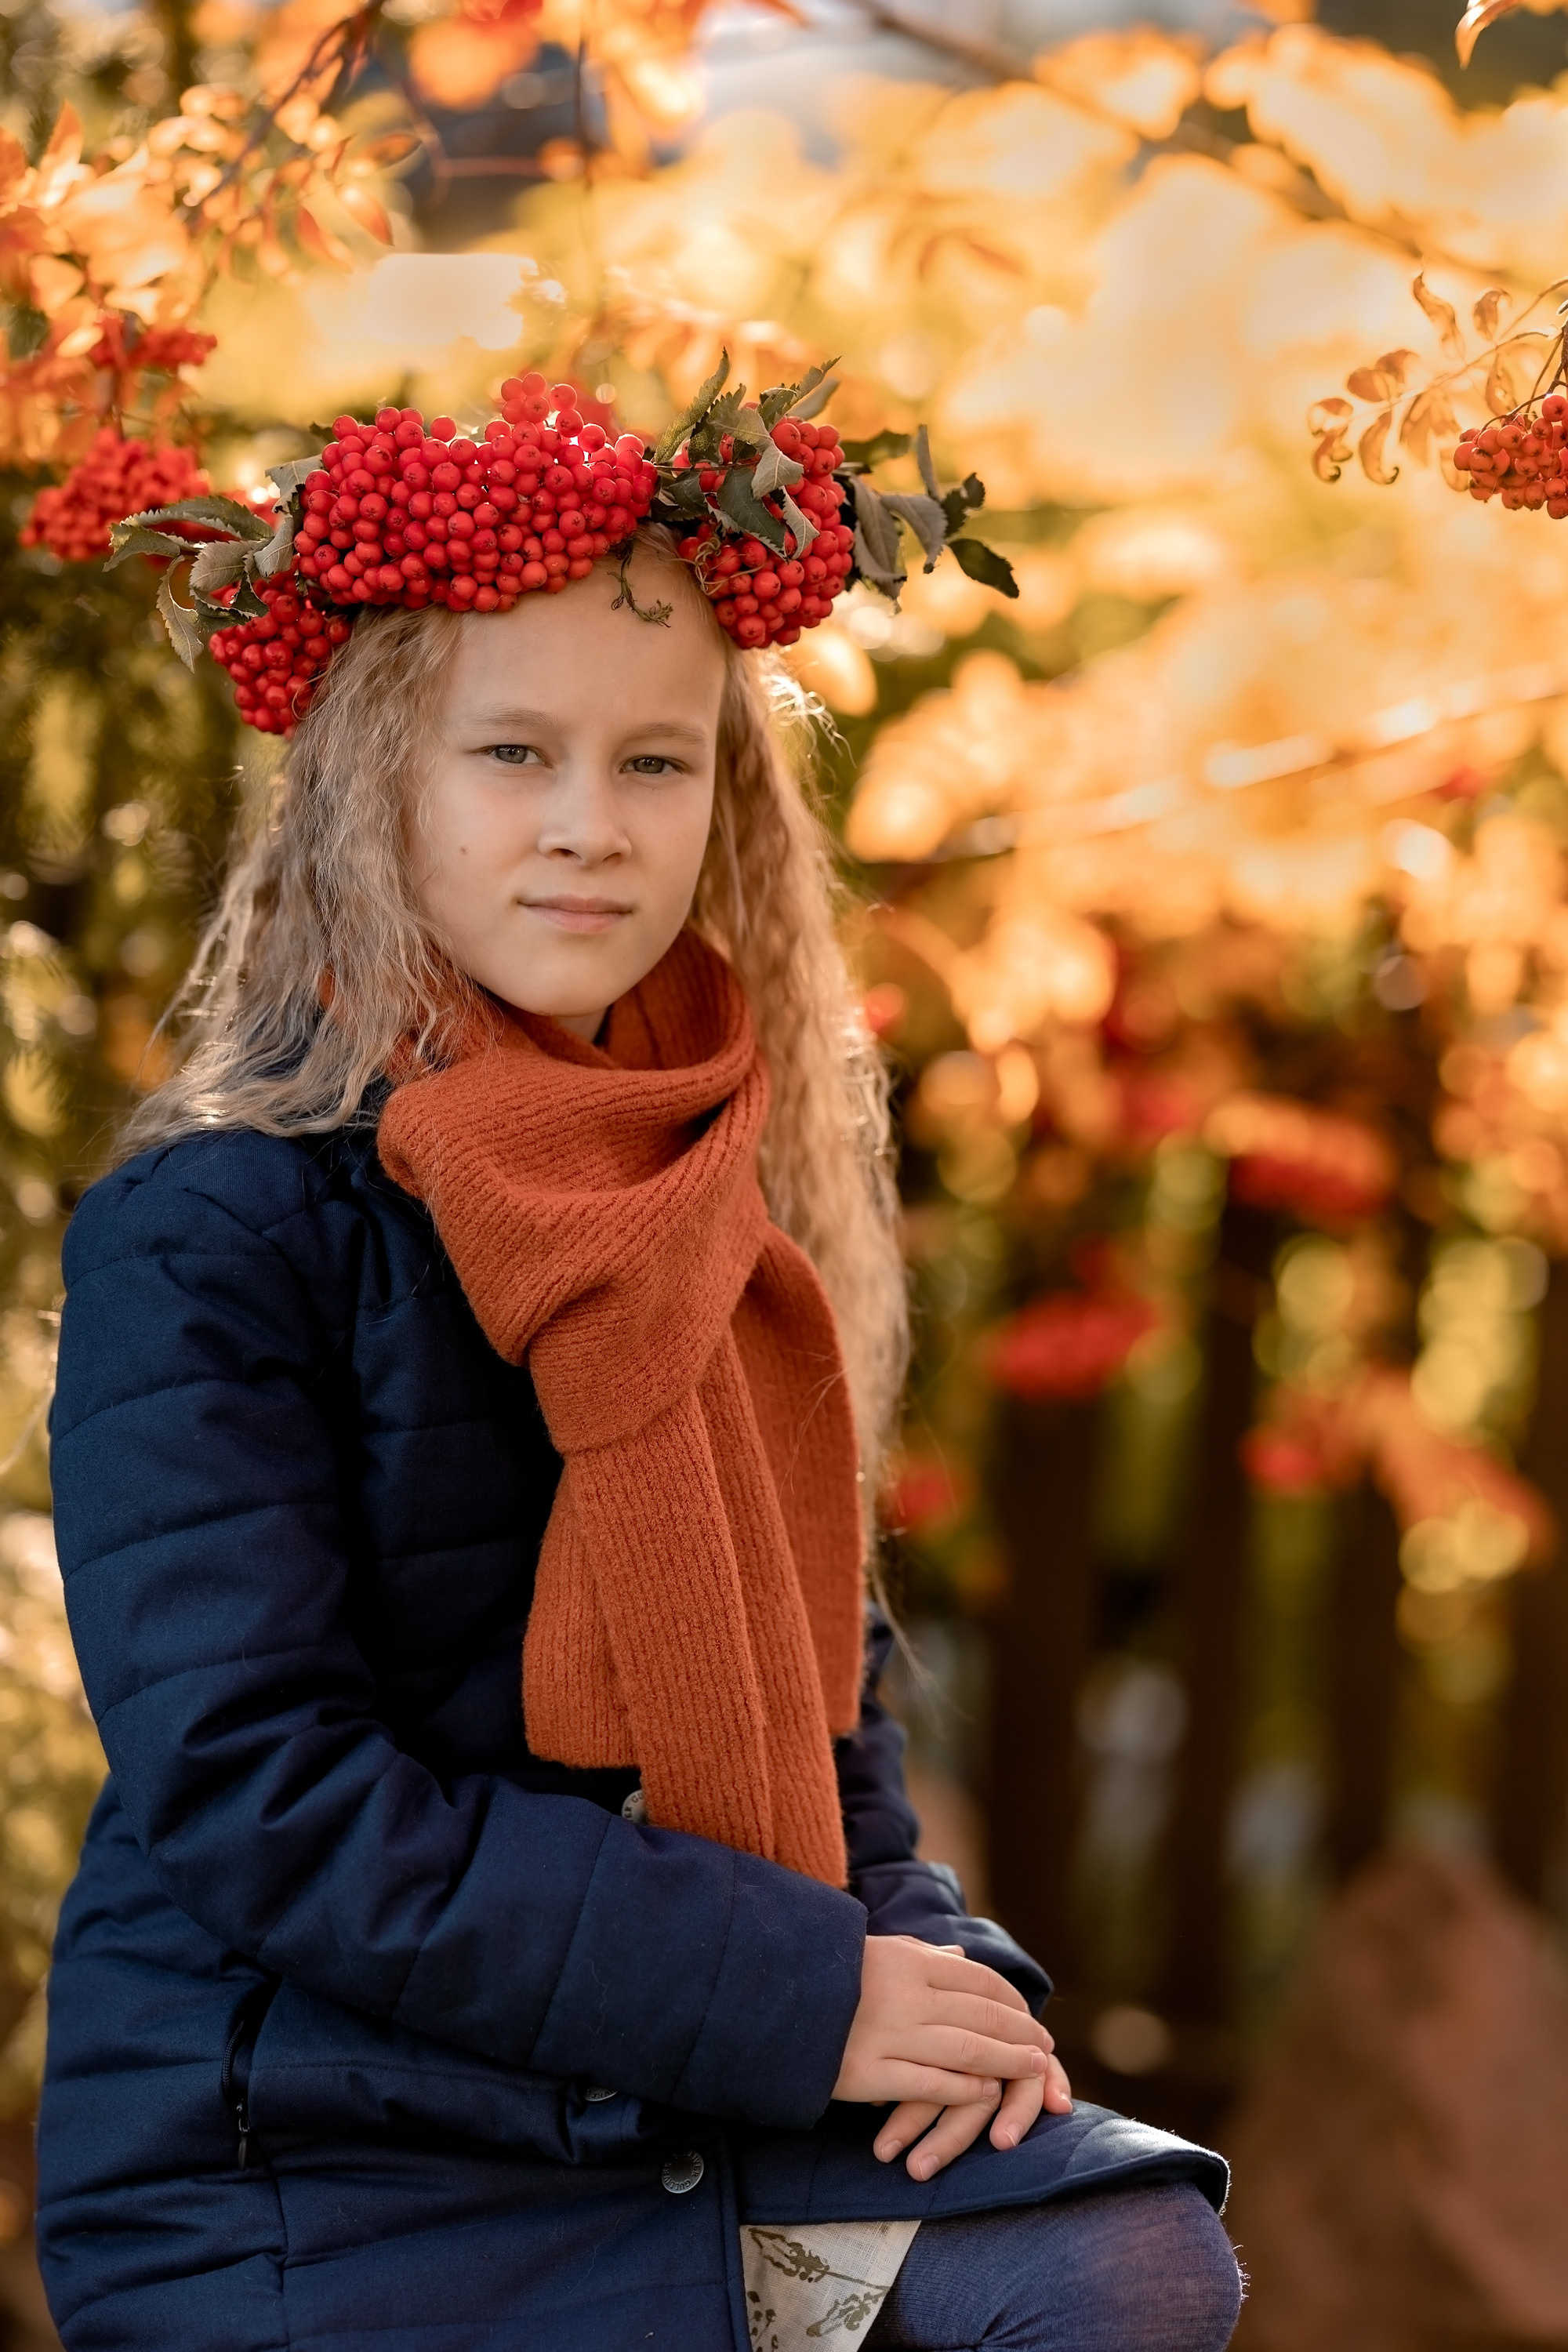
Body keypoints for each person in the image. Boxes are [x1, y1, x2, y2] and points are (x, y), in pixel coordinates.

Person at [36, 387, 1242, 2351]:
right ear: (371, 786)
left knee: (1113, 2260)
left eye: (655, 761)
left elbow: (820, 1721)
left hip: (680, 2073)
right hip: (319, 2128)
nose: (593, 824)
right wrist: (803, 1998)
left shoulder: (720, 1193)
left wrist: (921, 1976)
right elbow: (269, 1796)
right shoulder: (218, 1228)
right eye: (513, 752)